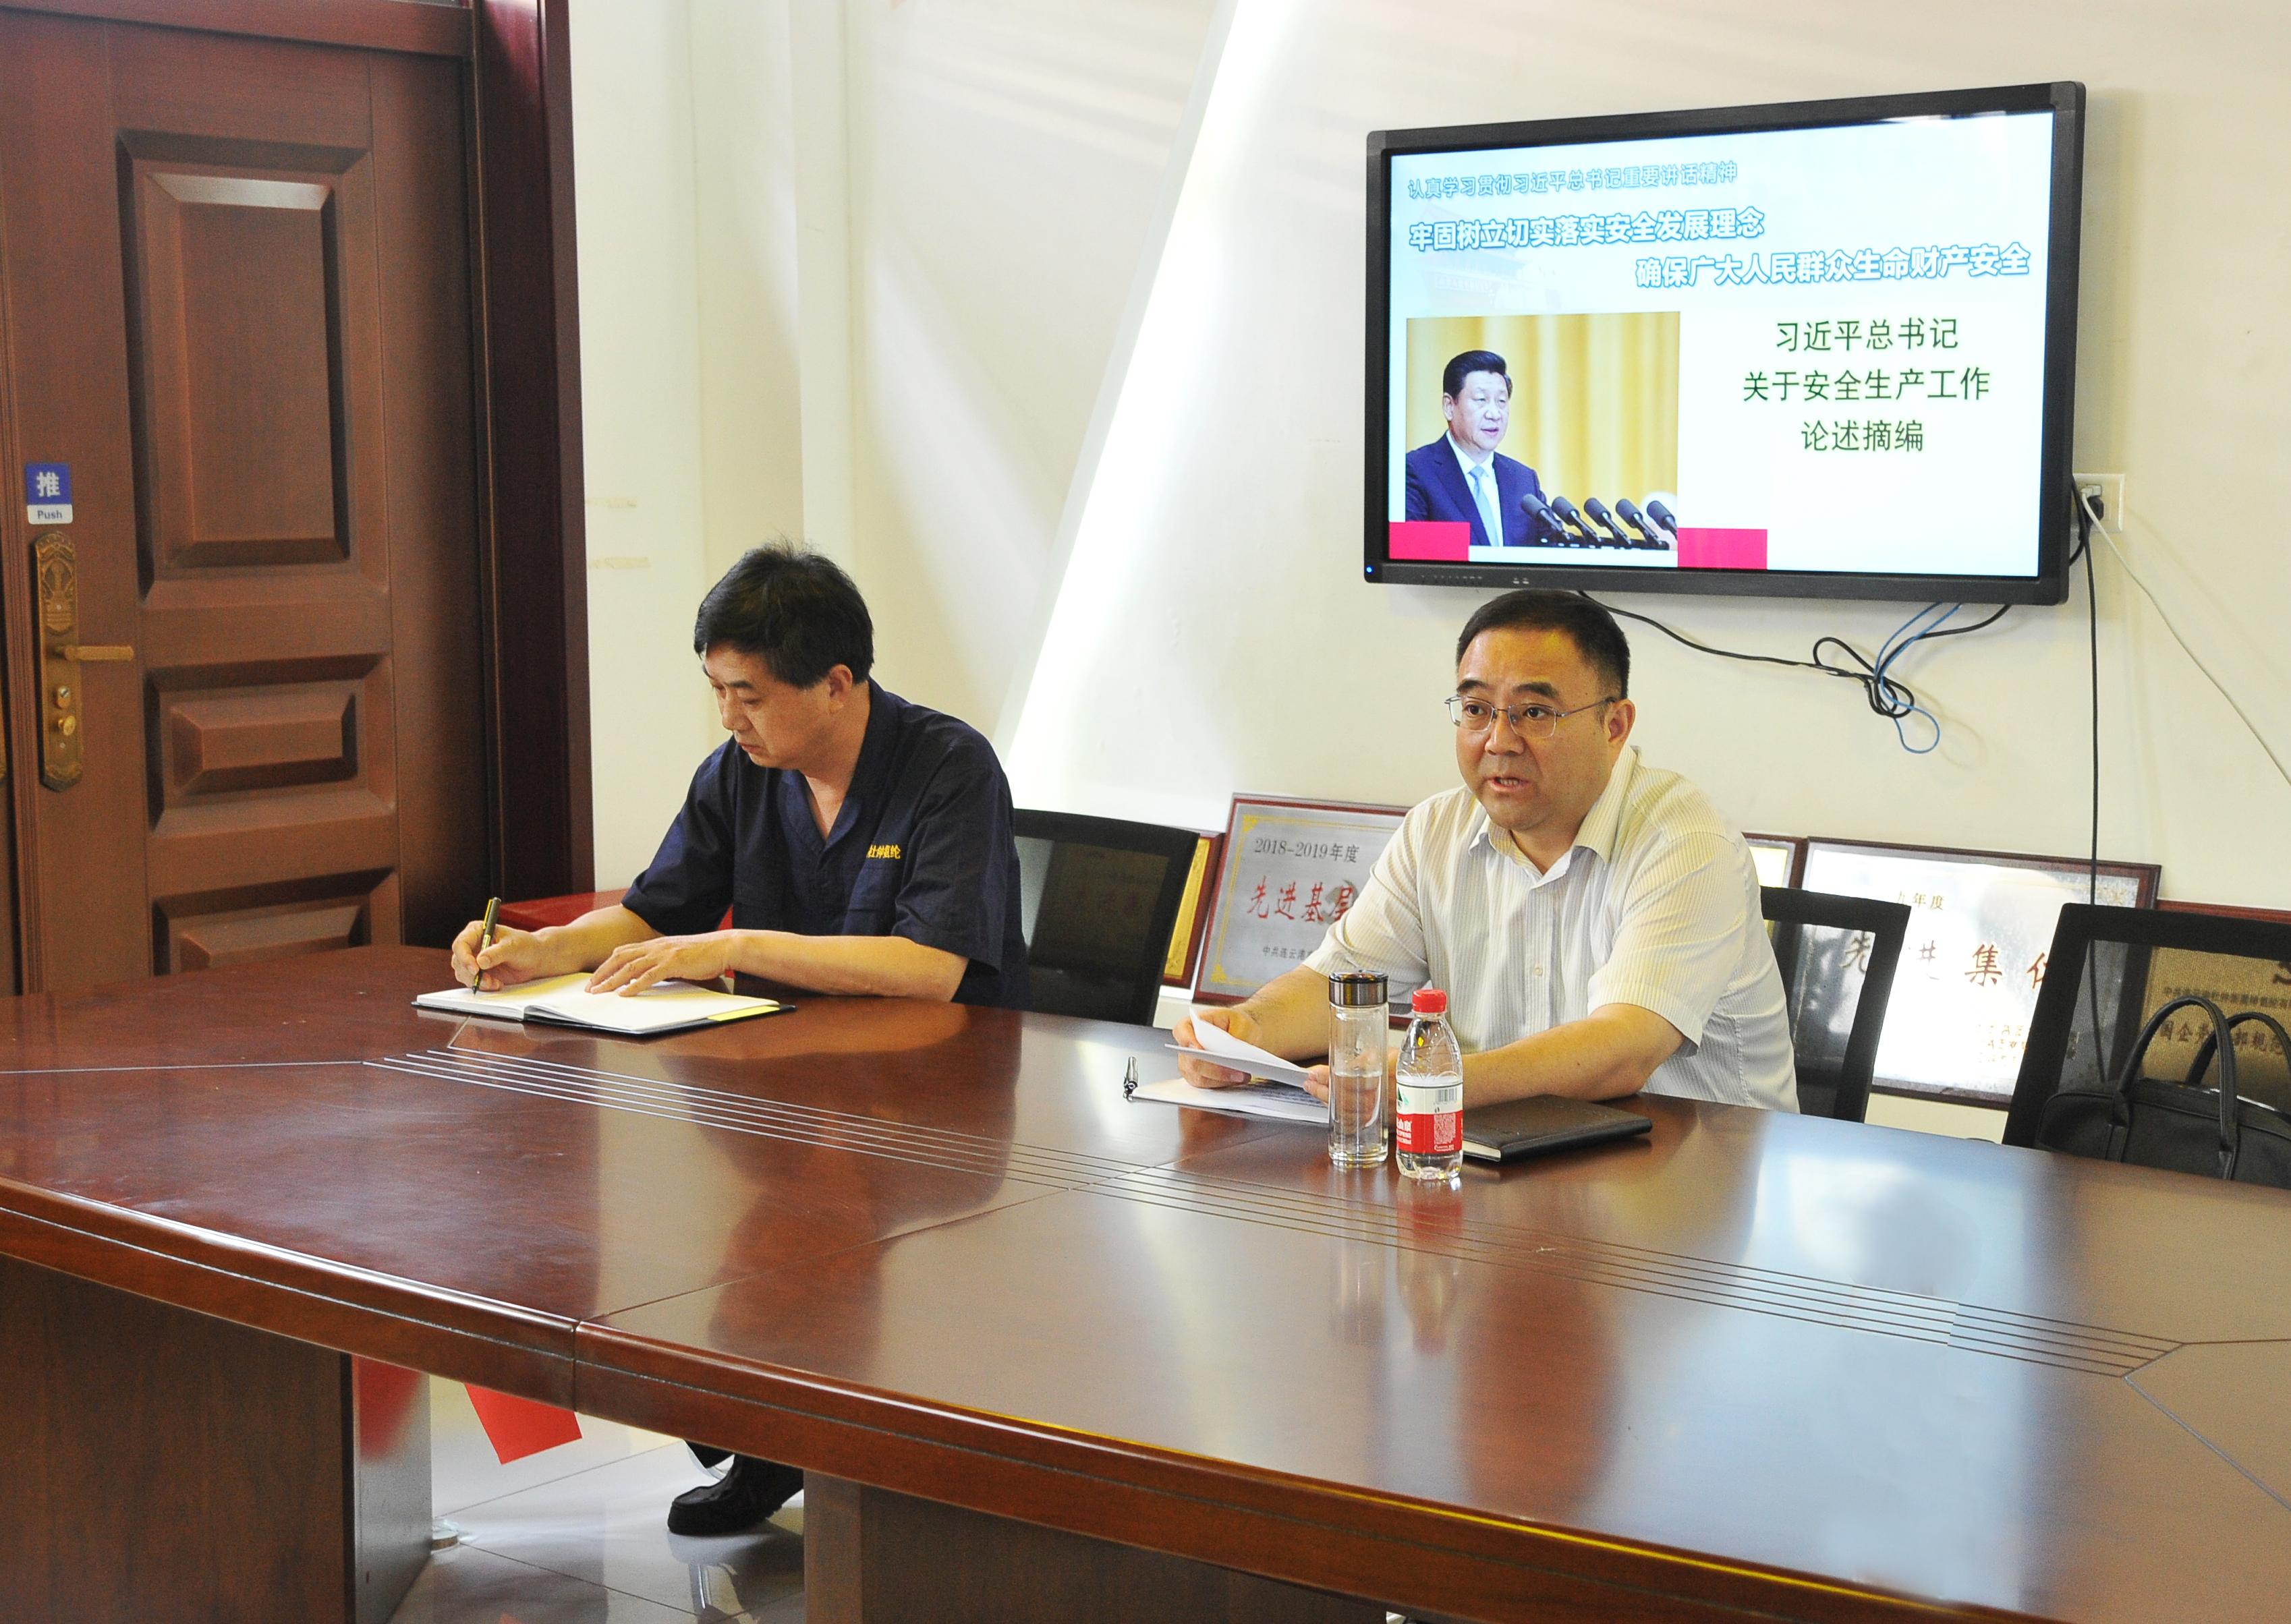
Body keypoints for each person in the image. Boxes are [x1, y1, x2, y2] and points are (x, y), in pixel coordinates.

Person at [451, 541, 1031, 1535]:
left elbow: (931, 968)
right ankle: (759, 1441)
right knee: (680, 1251)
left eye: (749, 695)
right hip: (786, 1087)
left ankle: (831, 1463)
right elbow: (653, 911)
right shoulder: (740, 773)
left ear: (837, 683)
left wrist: (733, 945)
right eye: (717, 691)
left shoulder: (947, 767)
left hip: (931, 1104)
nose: (729, 717)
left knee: (815, 1257)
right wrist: (541, 950)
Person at [1175, 589, 1794, 1114]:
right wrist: (1247, 1032)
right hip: (1508, 1165)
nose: (1499, 741)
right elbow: (1340, 984)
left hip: (1695, 1182)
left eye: (1535, 712)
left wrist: (1432, 1082)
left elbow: (1623, 1050)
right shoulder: (1435, 831)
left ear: (1614, 726)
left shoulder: (1686, 845)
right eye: (1476, 710)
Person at [1403, 349, 1545, 548]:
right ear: (1449, 407)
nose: (1494, 414)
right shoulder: (1415, 471)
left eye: (1502, 401)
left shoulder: (1524, 481)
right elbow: (1411, 550)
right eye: (1481, 400)